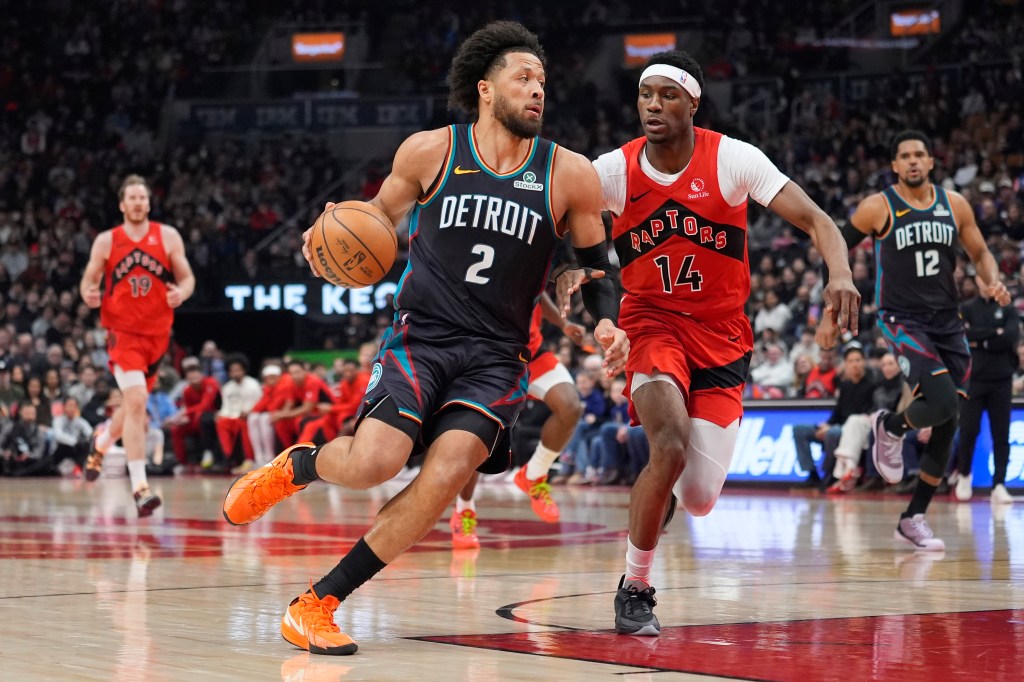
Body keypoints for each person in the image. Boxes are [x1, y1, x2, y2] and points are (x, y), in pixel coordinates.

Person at [222, 20, 627, 656]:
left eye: (543, 81)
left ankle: (317, 603)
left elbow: (595, 264)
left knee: (442, 480)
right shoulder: (429, 152)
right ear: (486, 88)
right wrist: (325, 237)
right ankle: (300, 465)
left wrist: (603, 315)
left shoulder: (569, 175)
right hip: (424, 337)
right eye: (523, 77)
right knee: (373, 463)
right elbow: (376, 219)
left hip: (497, 358)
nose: (537, 90)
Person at [571, 49, 859, 636]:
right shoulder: (611, 171)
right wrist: (593, 306)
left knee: (699, 498)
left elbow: (819, 221)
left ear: (693, 103)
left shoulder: (732, 158)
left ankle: (658, 498)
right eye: (646, 94)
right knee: (669, 444)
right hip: (650, 324)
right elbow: (566, 239)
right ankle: (636, 587)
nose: (653, 104)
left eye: (667, 95)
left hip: (724, 336)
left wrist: (841, 275)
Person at [822, 130, 1011, 550]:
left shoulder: (954, 205)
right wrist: (830, 312)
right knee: (942, 401)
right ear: (894, 165)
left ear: (930, 162)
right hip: (900, 319)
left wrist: (992, 280)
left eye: (919, 155)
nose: (912, 161)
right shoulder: (878, 207)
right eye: (904, 155)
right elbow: (835, 249)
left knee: (949, 422)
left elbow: (981, 253)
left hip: (948, 320)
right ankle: (889, 426)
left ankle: (914, 517)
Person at [79, 174, 195, 516]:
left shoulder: (168, 236)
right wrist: (88, 292)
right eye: (132, 197)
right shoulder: (106, 241)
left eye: (143, 197)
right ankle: (141, 487)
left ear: (148, 202)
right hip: (122, 333)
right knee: (137, 401)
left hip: (157, 337)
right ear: (122, 204)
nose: (138, 202)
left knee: (131, 407)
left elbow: (187, 278)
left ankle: (101, 443)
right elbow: (89, 280)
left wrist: (182, 293)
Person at [450, 293, 585, 550]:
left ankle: (534, 474)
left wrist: (562, 323)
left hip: (532, 354)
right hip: (491, 361)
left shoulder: (531, 255)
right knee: (480, 439)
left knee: (570, 406)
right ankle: (464, 511)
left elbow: (537, 292)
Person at [955, 276, 1019, 504]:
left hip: (1002, 379)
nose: (987, 282)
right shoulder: (967, 308)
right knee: (968, 430)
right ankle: (963, 475)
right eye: (983, 278)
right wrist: (994, 334)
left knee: (1001, 434)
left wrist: (980, 340)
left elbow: (1012, 336)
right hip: (974, 379)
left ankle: (999, 484)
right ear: (977, 281)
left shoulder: (1007, 308)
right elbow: (962, 336)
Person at [214, 355, 262, 472]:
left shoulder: (253, 384)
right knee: (220, 422)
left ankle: (249, 459)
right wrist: (220, 414)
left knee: (245, 423)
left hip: (247, 416)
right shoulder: (226, 388)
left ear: (243, 370)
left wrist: (249, 411)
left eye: (238, 370)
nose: (236, 373)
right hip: (231, 417)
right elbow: (225, 406)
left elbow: (258, 402)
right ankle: (228, 457)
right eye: (232, 371)